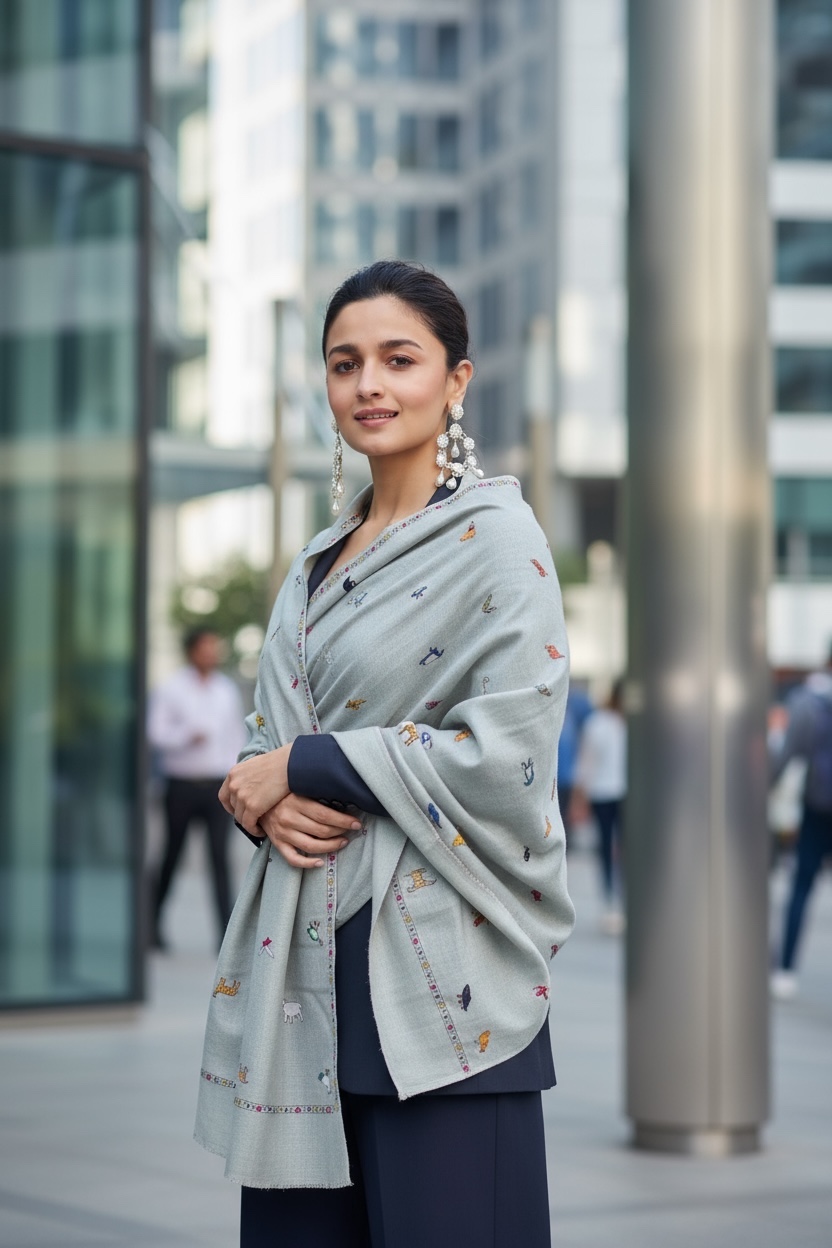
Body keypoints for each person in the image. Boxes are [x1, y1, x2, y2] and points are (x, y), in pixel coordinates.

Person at [193, 260, 575, 1248]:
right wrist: (260, 796)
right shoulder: (316, 560)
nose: (368, 384)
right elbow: (261, 744)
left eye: (398, 359)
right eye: (343, 362)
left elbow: (507, 752)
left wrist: (309, 768)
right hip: (300, 988)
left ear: (455, 380)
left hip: (440, 993)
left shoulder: (499, 541)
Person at [147, 628, 245, 950]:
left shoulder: (226, 690)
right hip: (181, 785)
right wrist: (186, 736)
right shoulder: (172, 688)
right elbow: (156, 734)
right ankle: (152, 925)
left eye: (214, 648)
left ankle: (226, 937)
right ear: (191, 651)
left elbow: (235, 736)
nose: (211, 654)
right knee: (172, 855)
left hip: (217, 786)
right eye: (205, 648)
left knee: (219, 858)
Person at [770, 646, 832, 1000]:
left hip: (818, 806)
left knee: (801, 889)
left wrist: (766, 786)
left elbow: (790, 751)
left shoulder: (812, 700)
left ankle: (786, 969)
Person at [572, 679, 626, 934]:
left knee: (618, 849)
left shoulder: (607, 723)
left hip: (617, 793)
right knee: (608, 848)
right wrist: (580, 797)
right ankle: (612, 901)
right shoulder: (600, 723)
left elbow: (586, 762)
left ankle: (619, 901)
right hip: (607, 793)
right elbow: (587, 762)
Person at [556, 684, 594, 845]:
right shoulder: (570, 711)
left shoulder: (574, 707)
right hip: (560, 775)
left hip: (565, 776)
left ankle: (565, 844)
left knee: (563, 815)